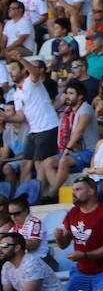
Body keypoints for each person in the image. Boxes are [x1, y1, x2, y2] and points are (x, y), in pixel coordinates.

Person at [2, 53, 58, 200]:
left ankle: (37, 197)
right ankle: (23, 197)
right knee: (25, 164)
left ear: (22, 70)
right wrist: (6, 117)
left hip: (47, 125)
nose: (11, 73)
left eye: (14, 69)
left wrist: (20, 58)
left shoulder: (31, 81)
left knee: (39, 163)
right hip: (34, 130)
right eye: (10, 71)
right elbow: (21, 116)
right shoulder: (16, 93)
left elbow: (35, 72)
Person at [55, 176, 103, 290]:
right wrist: (59, 237)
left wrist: (85, 255)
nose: (73, 193)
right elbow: (63, 245)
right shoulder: (73, 212)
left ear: (91, 191)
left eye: (78, 189)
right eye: (73, 190)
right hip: (81, 271)